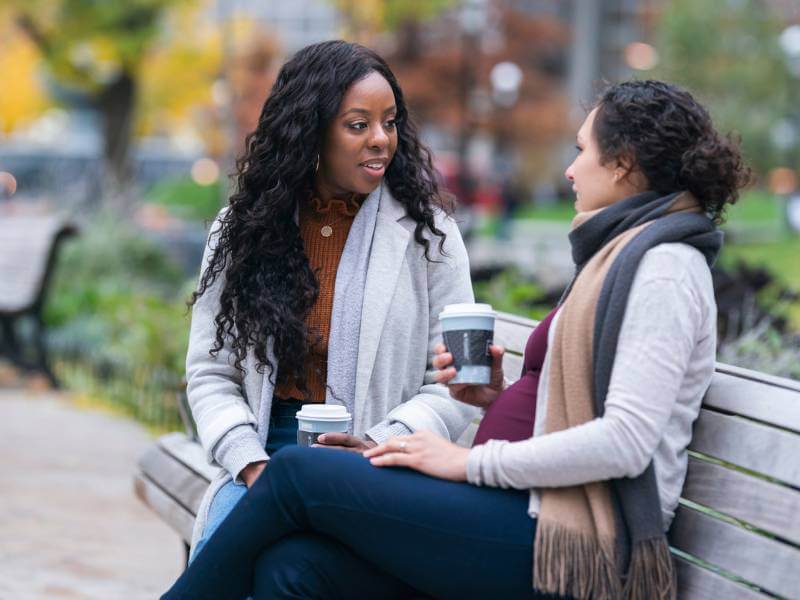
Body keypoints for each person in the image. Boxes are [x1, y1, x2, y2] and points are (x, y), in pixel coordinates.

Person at [163, 80, 751, 600]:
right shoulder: (629, 257)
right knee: (295, 569)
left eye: (582, 150)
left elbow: (625, 441)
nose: (571, 170)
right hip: (525, 515)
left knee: (297, 474)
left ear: (622, 163)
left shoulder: (665, 269)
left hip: (569, 544)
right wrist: (496, 402)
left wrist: (467, 461)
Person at [184, 40, 478, 564]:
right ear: (311, 131)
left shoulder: (429, 236)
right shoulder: (242, 231)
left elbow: (452, 387)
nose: (381, 140)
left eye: (389, 122)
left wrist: (381, 443)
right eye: (358, 124)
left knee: (290, 567)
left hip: (374, 466)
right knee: (220, 559)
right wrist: (250, 464)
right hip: (266, 454)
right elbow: (211, 375)